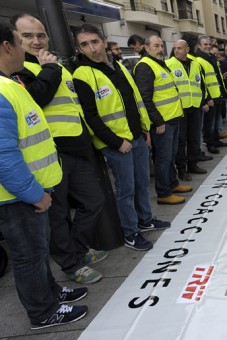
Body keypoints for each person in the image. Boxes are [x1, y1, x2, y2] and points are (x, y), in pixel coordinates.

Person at [0, 20, 88, 329]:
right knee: (29, 257)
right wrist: (34, 193)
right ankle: (43, 312)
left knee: (37, 254)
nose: (28, 46)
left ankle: (51, 293)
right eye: (20, 39)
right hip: (18, 197)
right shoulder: (2, 89)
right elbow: (3, 156)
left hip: (29, 191)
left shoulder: (10, 83)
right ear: (8, 46)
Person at [11, 14, 107, 284]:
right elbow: (36, 99)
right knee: (58, 214)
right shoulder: (21, 68)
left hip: (76, 146)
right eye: (27, 36)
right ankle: (71, 263)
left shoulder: (54, 64)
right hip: (51, 152)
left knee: (93, 201)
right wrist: (50, 70)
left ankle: (76, 249)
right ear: (15, 40)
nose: (36, 40)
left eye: (41, 35)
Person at [72, 24, 170, 251]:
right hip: (118, 144)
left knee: (143, 184)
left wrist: (145, 128)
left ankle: (145, 220)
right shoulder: (82, 74)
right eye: (84, 44)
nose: (92, 48)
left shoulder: (117, 65)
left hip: (137, 136)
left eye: (95, 41)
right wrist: (117, 142)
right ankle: (130, 232)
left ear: (104, 41)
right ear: (79, 48)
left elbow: (135, 99)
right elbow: (91, 117)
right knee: (126, 191)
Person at [134, 35, 192, 205]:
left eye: (161, 45)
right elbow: (145, 98)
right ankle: (163, 193)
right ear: (146, 47)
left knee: (170, 156)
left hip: (172, 118)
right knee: (162, 158)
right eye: (156, 45)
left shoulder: (159, 63)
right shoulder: (145, 66)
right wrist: (157, 121)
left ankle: (172, 184)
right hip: (162, 123)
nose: (160, 49)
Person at [166, 40, 209, 182]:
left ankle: (193, 164)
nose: (176, 50)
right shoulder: (169, 65)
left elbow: (201, 84)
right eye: (175, 48)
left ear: (187, 49)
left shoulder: (195, 64)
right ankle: (182, 169)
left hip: (194, 106)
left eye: (179, 48)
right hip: (180, 109)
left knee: (194, 137)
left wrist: (203, 101)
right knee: (181, 140)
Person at [192, 35, 227, 152]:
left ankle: (216, 140)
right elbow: (201, 81)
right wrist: (207, 98)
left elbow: (217, 77)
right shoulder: (198, 60)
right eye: (205, 45)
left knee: (215, 121)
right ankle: (210, 144)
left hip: (216, 95)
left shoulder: (211, 57)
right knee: (209, 123)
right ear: (199, 46)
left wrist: (222, 93)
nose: (208, 47)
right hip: (210, 97)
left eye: (209, 44)